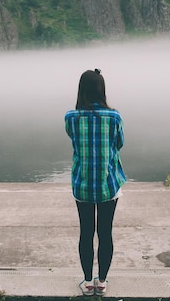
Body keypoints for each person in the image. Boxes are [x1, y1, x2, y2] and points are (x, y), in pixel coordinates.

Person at [64, 68, 127, 296]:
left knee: (86, 233)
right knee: (105, 233)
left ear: (81, 90)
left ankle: (88, 282)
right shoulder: (114, 117)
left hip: (82, 185)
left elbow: (74, 141)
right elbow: (119, 144)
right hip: (108, 184)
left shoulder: (71, 118)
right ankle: (102, 283)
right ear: (102, 90)